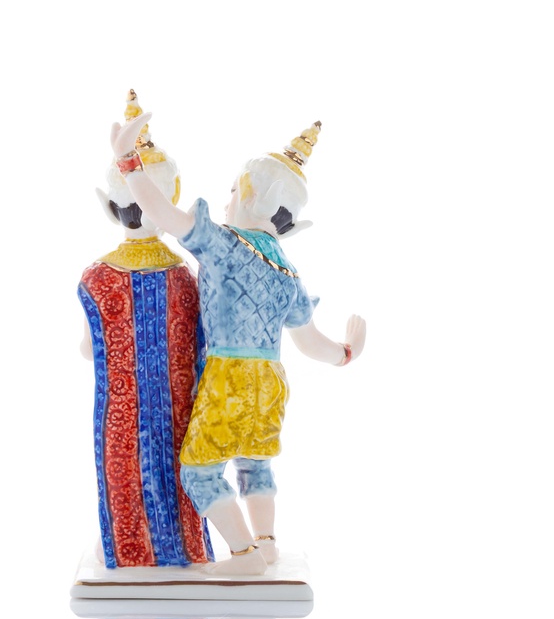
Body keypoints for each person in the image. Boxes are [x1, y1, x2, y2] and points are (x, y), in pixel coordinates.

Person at [113, 110, 366, 575]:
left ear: (248, 192)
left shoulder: (223, 244)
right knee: (255, 462)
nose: (228, 200)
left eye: (232, 191)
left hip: (228, 377)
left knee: (199, 471)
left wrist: (128, 162)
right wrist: (346, 353)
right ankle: (267, 544)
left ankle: (244, 554)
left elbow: (163, 214)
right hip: (271, 381)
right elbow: (311, 343)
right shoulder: (288, 272)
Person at [78, 92, 213, 568]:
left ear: (108, 206)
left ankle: (131, 552)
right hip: (178, 406)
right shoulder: (185, 276)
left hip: (122, 409)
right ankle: (180, 551)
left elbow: (90, 348)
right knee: (180, 474)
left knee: (124, 472)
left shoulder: (97, 279)